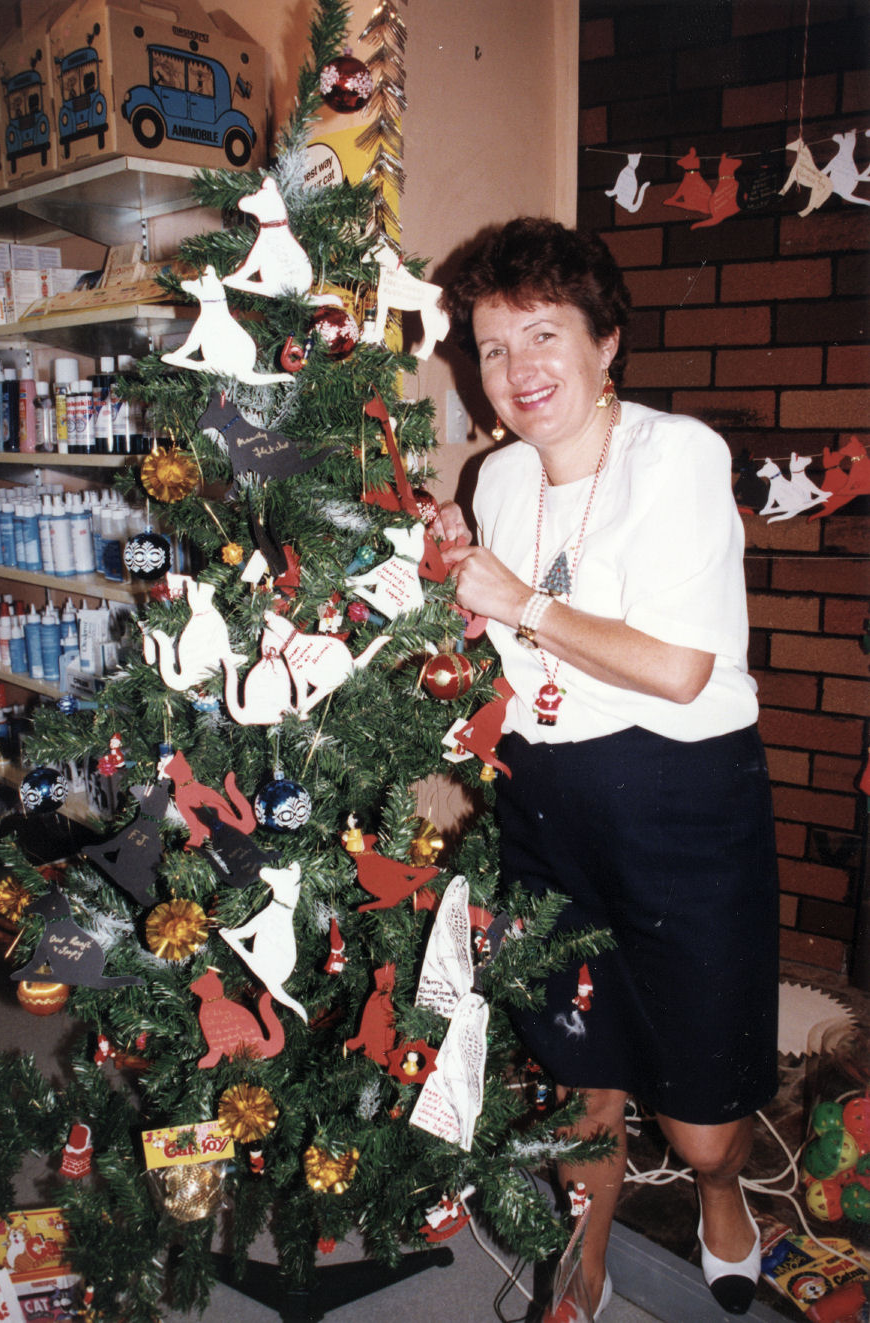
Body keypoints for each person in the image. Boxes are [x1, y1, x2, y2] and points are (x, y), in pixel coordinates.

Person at [434, 218, 779, 1320]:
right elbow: (503, 656)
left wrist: (520, 601)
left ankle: (722, 1191)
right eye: (492, 347)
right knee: (580, 1067)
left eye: (544, 335)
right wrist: (451, 590)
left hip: (680, 805)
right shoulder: (495, 482)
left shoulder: (673, 457)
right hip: (546, 800)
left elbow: (679, 671)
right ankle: (581, 1261)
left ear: (605, 343)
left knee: (700, 1118)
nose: (520, 370)